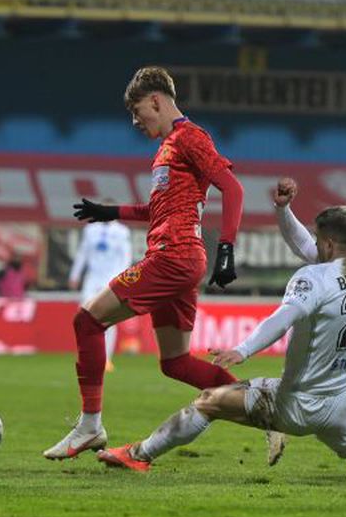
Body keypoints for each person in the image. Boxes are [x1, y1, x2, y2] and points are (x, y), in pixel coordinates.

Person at [95, 177, 346, 484]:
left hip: (298, 402)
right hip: (343, 401)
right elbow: (304, 244)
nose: (312, 244)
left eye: (318, 239)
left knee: (209, 401)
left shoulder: (313, 279)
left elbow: (282, 319)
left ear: (328, 244)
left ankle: (139, 455)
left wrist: (242, 350)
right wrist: (284, 210)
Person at [43, 66, 244, 460]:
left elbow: (232, 188)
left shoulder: (190, 137)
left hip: (173, 256)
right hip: (179, 257)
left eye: (138, 112)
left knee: (87, 320)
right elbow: (158, 208)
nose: (136, 122)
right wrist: (109, 210)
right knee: (176, 363)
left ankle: (89, 427)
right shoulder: (168, 148)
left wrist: (227, 247)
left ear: (156, 100)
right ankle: (260, 407)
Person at [67, 220, 133, 371]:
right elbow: (83, 252)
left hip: (111, 281)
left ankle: (106, 359)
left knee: (108, 319)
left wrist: (122, 280)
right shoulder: (91, 229)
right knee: (83, 317)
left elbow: (125, 257)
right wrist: (75, 275)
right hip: (92, 280)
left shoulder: (122, 231)